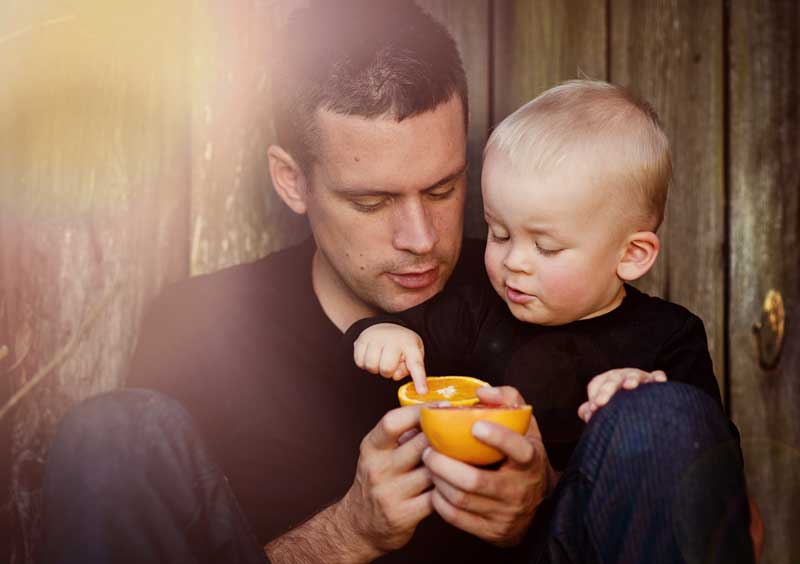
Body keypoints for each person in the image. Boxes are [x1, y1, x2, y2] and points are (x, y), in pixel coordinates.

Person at [41, 1, 542, 563]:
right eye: (371, 202)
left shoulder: (539, 296)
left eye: (443, 190)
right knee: (111, 433)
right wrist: (351, 533)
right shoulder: (200, 332)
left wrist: (546, 497)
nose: (421, 238)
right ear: (292, 181)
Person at [348, 80, 762, 561]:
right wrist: (380, 333)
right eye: (499, 233)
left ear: (631, 255)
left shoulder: (668, 336)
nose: (514, 263)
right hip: (494, 547)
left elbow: (714, 468)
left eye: (546, 247)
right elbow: (394, 339)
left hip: (601, 541)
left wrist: (647, 400)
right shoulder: (473, 306)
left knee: (663, 416)